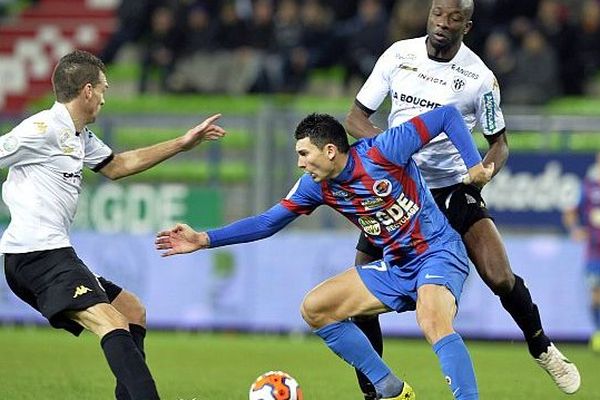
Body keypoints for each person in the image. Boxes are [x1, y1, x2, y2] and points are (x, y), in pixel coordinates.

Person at [156, 105, 493, 400]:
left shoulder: (384, 151)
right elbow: (267, 222)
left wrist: (474, 164)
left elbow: (447, 115)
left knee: (432, 318)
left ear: (330, 150)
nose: (301, 164)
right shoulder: (315, 186)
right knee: (315, 309)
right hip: (396, 266)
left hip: (437, 252)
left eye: (304, 154)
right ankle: (389, 388)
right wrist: (204, 239)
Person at [344, 0, 580, 398]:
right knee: (359, 288)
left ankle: (542, 347)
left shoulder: (479, 78)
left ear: (466, 26)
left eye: (453, 19)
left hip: (453, 186)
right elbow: (355, 118)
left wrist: (485, 172)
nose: (442, 24)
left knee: (500, 275)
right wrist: (387, 151)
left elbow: (499, 144)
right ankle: (375, 390)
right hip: (399, 189)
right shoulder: (399, 55)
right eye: (437, 14)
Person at [0, 50, 225, 400]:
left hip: (52, 253)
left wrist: (182, 144)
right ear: (87, 90)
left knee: (131, 311)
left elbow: (119, 165)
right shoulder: (42, 129)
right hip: (36, 255)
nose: (105, 97)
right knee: (111, 321)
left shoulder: (79, 136)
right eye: (103, 89)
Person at [563, 153, 600, 352]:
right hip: (594, 251)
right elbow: (570, 212)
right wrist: (575, 230)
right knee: (596, 295)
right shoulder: (587, 187)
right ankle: (599, 332)